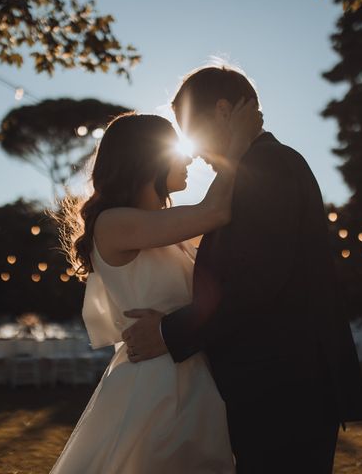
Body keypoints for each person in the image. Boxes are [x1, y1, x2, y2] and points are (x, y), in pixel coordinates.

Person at [122, 65, 362, 473]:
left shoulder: (268, 167)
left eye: (193, 130)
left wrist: (169, 333)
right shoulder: (249, 169)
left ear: (222, 110)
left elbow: (255, 281)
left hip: (284, 389)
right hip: (276, 385)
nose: (193, 148)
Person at [49, 100, 263, 473]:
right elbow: (215, 212)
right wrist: (239, 145)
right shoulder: (113, 224)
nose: (189, 160)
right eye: (177, 151)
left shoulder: (166, 228)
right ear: (149, 159)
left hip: (193, 372)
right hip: (158, 384)